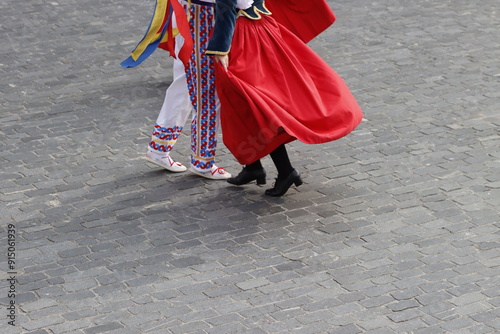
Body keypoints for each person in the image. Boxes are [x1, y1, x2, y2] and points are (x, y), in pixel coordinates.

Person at [205, 0, 364, 196]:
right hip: (261, 27)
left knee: (257, 106)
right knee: (250, 102)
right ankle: (253, 166)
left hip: (244, 37)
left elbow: (226, 7)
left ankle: (284, 171)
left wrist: (220, 48)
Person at [121, 0, 231, 179]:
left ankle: (160, 146)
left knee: (185, 86)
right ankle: (202, 160)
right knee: (206, 94)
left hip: (189, 15)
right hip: (203, 17)